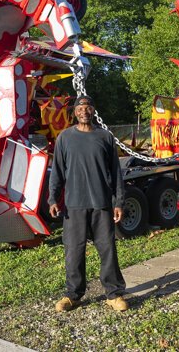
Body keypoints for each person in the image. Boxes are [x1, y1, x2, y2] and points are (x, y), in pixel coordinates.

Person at [48, 94, 128, 312]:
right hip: (74, 205)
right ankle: (73, 295)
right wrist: (53, 198)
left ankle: (114, 294)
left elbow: (116, 173)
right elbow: (57, 171)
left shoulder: (105, 137)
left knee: (107, 249)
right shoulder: (65, 138)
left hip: (101, 204)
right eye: (80, 107)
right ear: (75, 112)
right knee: (74, 250)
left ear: (93, 110)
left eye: (88, 106)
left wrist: (118, 202)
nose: (84, 110)